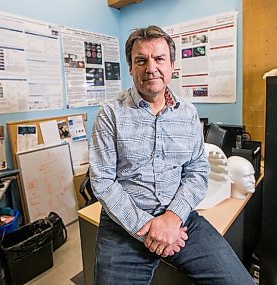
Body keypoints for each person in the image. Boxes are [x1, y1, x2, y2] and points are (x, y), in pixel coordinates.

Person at [89, 25, 253, 284]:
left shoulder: (187, 113)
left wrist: (172, 218)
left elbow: (197, 172)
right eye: (140, 60)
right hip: (123, 225)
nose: (150, 67)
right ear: (130, 68)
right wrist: (150, 230)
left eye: (159, 58)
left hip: (180, 217)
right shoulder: (110, 113)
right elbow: (103, 182)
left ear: (172, 65)